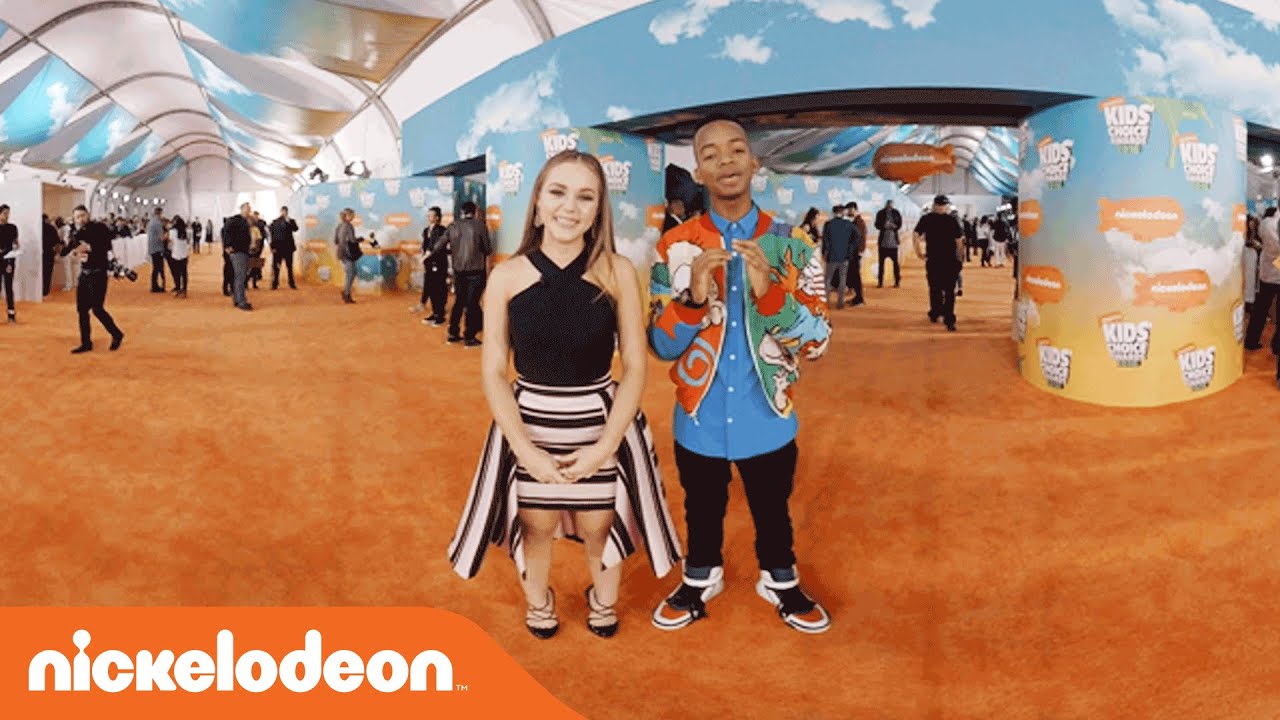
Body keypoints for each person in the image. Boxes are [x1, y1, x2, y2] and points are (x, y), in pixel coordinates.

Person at [448, 150, 681, 639]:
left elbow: (635, 366)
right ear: (537, 202)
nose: (569, 207)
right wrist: (524, 448)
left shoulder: (618, 271)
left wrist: (606, 445)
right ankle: (540, 600)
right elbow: (493, 371)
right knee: (535, 524)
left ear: (598, 210)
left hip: (601, 419)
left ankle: (603, 599)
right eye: (557, 192)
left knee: (600, 525)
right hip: (529, 419)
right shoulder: (506, 276)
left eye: (585, 196)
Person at [648, 116, 833, 635]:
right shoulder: (674, 247)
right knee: (701, 507)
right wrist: (692, 300)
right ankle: (699, 576)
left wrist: (770, 294)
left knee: (773, 509)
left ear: (754, 163)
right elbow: (661, 344)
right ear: (698, 173)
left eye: (736, 150)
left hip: (768, 415)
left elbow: (817, 342)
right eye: (710, 154)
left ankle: (780, 579)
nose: (725, 160)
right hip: (698, 416)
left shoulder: (794, 243)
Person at [63, 205, 124, 353]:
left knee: (97, 308)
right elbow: (69, 249)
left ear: (88, 215)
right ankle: (86, 343)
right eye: (77, 217)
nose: (80, 219)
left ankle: (116, 334)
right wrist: (70, 251)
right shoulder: (76, 232)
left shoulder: (99, 228)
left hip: (99, 273)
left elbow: (107, 246)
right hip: (84, 274)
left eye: (83, 215)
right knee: (82, 310)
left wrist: (89, 247)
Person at [913, 195, 965, 332]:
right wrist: (961, 257)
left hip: (934, 260)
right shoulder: (952, 220)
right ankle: (949, 319)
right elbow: (959, 241)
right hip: (949, 260)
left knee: (935, 289)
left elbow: (916, 235)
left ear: (934, 205)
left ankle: (935, 313)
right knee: (949, 291)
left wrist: (918, 252)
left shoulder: (926, 219)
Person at [445, 201, 492, 346]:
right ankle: (469, 337)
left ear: (462, 212)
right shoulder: (480, 226)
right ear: (475, 212)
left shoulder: (453, 226)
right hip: (476, 272)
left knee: (459, 302)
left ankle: (453, 333)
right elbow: (488, 249)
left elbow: (440, 245)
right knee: (472, 304)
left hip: (459, 272)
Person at [1246, 207, 1280, 352]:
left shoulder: (1266, 223)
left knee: (1260, 309)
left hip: (1267, 273)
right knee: (1262, 309)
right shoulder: (1271, 224)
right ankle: (1276, 345)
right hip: (1273, 272)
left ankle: (1251, 340)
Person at [414, 206, 449, 324]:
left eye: (431, 215)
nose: (428, 217)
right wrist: (423, 257)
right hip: (429, 263)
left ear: (437, 217)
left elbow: (435, 247)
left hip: (439, 263)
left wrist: (424, 258)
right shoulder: (426, 230)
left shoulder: (442, 230)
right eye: (428, 215)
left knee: (439, 288)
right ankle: (435, 313)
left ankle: (440, 315)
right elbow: (425, 246)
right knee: (431, 288)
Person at [821, 204, 857, 310]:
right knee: (842, 280)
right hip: (844, 256)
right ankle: (840, 303)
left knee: (828, 280)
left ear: (833, 212)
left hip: (831, 256)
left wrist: (824, 253)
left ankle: (826, 302)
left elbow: (825, 240)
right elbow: (857, 236)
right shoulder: (848, 224)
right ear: (843, 212)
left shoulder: (828, 224)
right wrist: (850, 249)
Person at [225, 204, 254, 311]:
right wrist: (227, 245)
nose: (249, 210)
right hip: (238, 251)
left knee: (239, 276)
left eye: (249, 209)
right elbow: (226, 230)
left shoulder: (246, 221)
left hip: (243, 251)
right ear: (242, 209)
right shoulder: (235, 220)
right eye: (247, 209)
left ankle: (237, 299)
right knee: (240, 277)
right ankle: (241, 301)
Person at [334, 208, 362, 304]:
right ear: (346, 216)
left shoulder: (339, 226)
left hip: (341, 252)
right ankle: (346, 293)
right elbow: (352, 240)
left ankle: (346, 292)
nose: (353, 216)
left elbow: (336, 241)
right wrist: (360, 239)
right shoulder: (349, 226)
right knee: (351, 273)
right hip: (348, 252)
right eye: (351, 215)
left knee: (351, 272)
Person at [874, 199, 902, 288]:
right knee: (881, 264)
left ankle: (897, 282)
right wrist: (883, 226)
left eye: (891, 204)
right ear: (886, 205)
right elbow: (876, 224)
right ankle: (880, 282)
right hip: (883, 243)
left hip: (894, 243)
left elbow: (900, 224)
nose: (889, 206)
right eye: (888, 204)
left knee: (896, 264)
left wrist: (895, 226)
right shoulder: (880, 213)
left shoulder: (896, 213)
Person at [269, 206, 298, 290]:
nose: (284, 213)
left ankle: (291, 283)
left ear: (287, 212)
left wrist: (288, 221)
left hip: (288, 248)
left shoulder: (291, 221)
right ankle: (275, 283)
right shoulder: (275, 222)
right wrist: (272, 246)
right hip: (278, 248)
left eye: (285, 211)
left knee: (289, 267)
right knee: (276, 267)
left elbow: (296, 229)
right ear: (280, 211)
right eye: (283, 211)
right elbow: (272, 235)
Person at [844, 202, 867, 305]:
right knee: (854, 275)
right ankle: (857, 297)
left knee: (856, 275)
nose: (848, 212)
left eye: (850, 210)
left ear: (854, 209)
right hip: (853, 252)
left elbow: (862, 238)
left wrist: (860, 251)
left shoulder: (859, 222)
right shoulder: (855, 222)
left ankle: (859, 299)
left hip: (856, 253)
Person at [0, 205, 17, 323]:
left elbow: (15, 244)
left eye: (8, 213)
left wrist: (11, 260)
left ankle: (11, 314)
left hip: (8, 261)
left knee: (9, 287)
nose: (7, 216)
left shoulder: (12, 228)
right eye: (5, 213)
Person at [169, 217, 190, 298]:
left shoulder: (172, 232)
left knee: (176, 273)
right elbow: (188, 243)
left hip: (175, 254)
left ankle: (178, 289)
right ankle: (184, 290)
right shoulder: (186, 232)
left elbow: (170, 243)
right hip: (184, 254)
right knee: (184, 273)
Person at [147, 208, 166, 292]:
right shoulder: (158, 223)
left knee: (155, 268)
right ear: (159, 214)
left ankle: (154, 285)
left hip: (152, 247)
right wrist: (168, 236)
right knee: (157, 268)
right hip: (157, 248)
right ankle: (154, 286)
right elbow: (161, 237)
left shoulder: (151, 222)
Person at [42, 214, 60, 298]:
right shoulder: (51, 228)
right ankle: (45, 292)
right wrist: (57, 253)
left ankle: (37, 292)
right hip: (48, 253)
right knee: (47, 274)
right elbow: (56, 242)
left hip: (37, 253)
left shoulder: (37, 227)